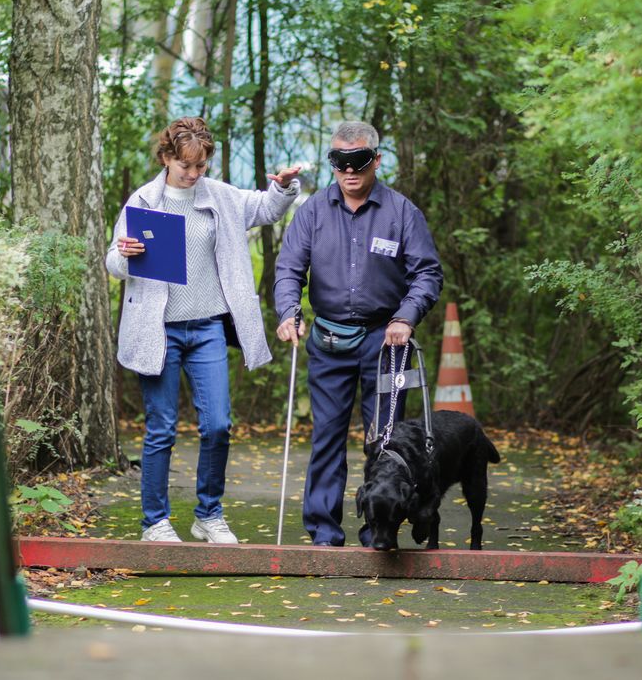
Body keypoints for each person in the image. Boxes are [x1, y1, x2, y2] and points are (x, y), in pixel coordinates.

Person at [106, 117, 301, 543]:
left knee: (218, 425)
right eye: (186, 167)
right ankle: (155, 522)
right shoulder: (143, 201)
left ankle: (208, 514)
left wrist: (284, 187)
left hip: (208, 326)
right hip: (160, 330)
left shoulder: (221, 196)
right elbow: (114, 264)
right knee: (161, 427)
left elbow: (267, 209)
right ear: (167, 158)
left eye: (201, 167)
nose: (194, 175)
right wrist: (124, 253)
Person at [273, 120, 443, 547]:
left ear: (376, 160)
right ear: (331, 163)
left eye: (359, 161)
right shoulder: (312, 211)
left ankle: (378, 531)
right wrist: (288, 312)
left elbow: (427, 273)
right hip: (329, 341)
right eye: (339, 162)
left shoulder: (402, 212)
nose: (349, 171)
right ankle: (324, 533)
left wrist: (406, 317)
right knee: (327, 435)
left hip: (386, 342)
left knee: (384, 440)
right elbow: (289, 268)